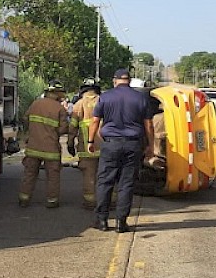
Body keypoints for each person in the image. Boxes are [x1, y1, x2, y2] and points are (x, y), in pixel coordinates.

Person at [87, 68, 154, 233]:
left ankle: (102, 220)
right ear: (129, 81)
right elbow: (149, 125)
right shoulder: (140, 98)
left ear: (114, 80)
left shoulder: (105, 97)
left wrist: (90, 141)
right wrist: (151, 146)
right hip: (133, 145)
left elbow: (95, 121)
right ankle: (121, 222)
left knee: (105, 181)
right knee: (126, 184)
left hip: (110, 144)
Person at [18, 79, 69, 208]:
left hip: (33, 147)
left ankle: (24, 199)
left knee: (29, 174)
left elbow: (25, 119)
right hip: (51, 149)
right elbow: (63, 129)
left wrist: (33, 131)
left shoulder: (35, 104)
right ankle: (52, 201)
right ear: (57, 93)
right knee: (52, 176)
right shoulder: (60, 109)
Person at [67, 80, 102, 209]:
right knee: (108, 175)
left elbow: (72, 128)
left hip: (87, 149)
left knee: (89, 175)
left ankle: (89, 202)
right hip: (106, 147)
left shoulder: (79, 105)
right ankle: (112, 201)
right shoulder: (104, 101)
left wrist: (70, 143)